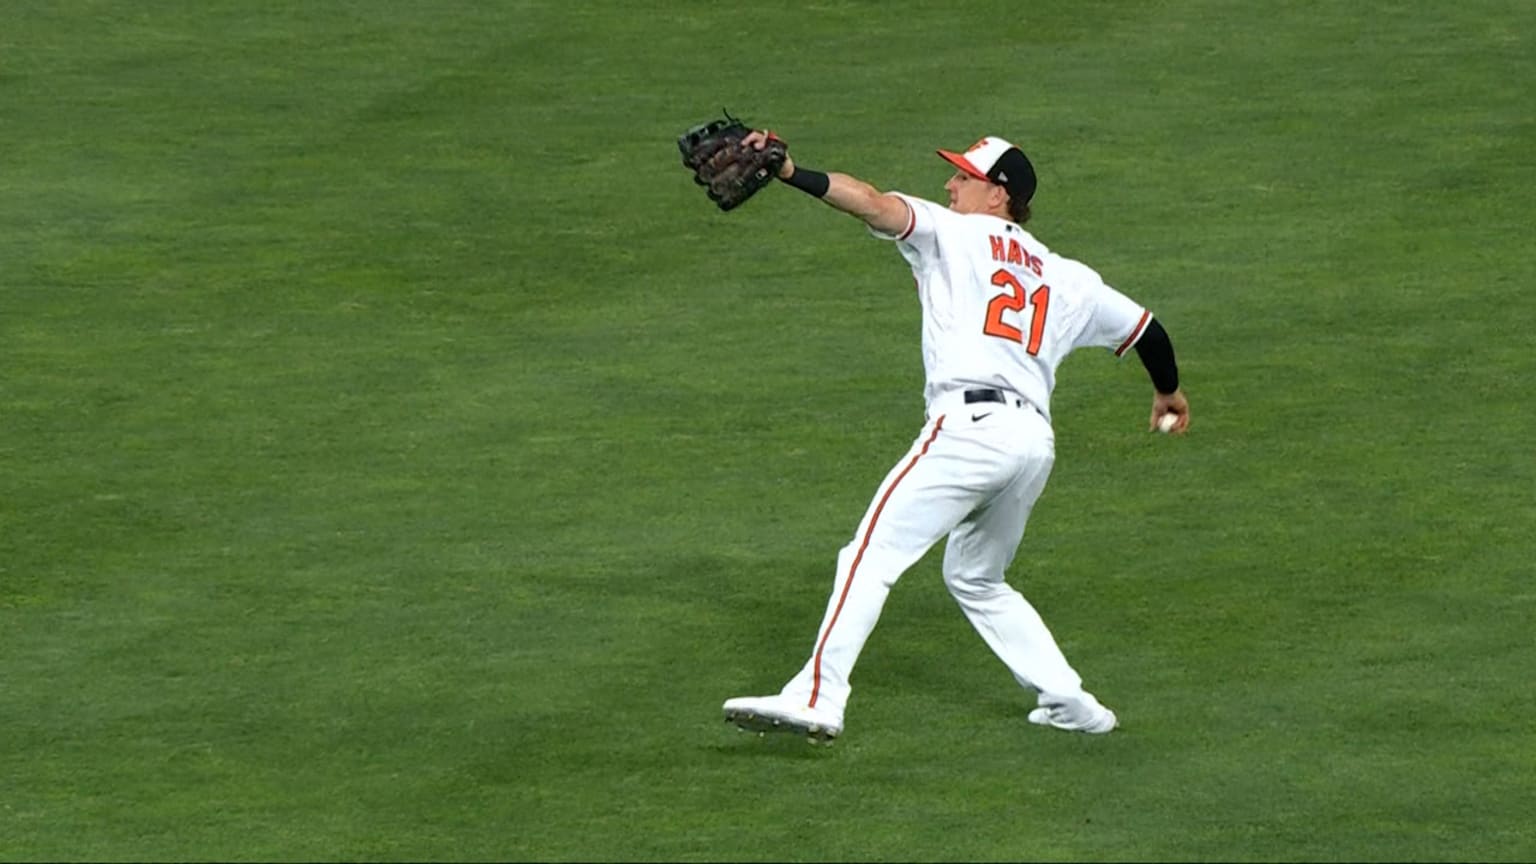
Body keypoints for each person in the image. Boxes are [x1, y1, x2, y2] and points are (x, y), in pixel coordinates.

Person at [721, 131, 1190, 742]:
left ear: (999, 195)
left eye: (964, 177)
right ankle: (1075, 704)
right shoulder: (1069, 276)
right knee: (976, 577)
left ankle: (818, 694)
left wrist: (792, 173)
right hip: (1031, 444)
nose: (950, 184)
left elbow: (870, 201)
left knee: (871, 553)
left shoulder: (952, 231)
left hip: (970, 428)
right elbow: (1149, 331)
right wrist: (1167, 393)